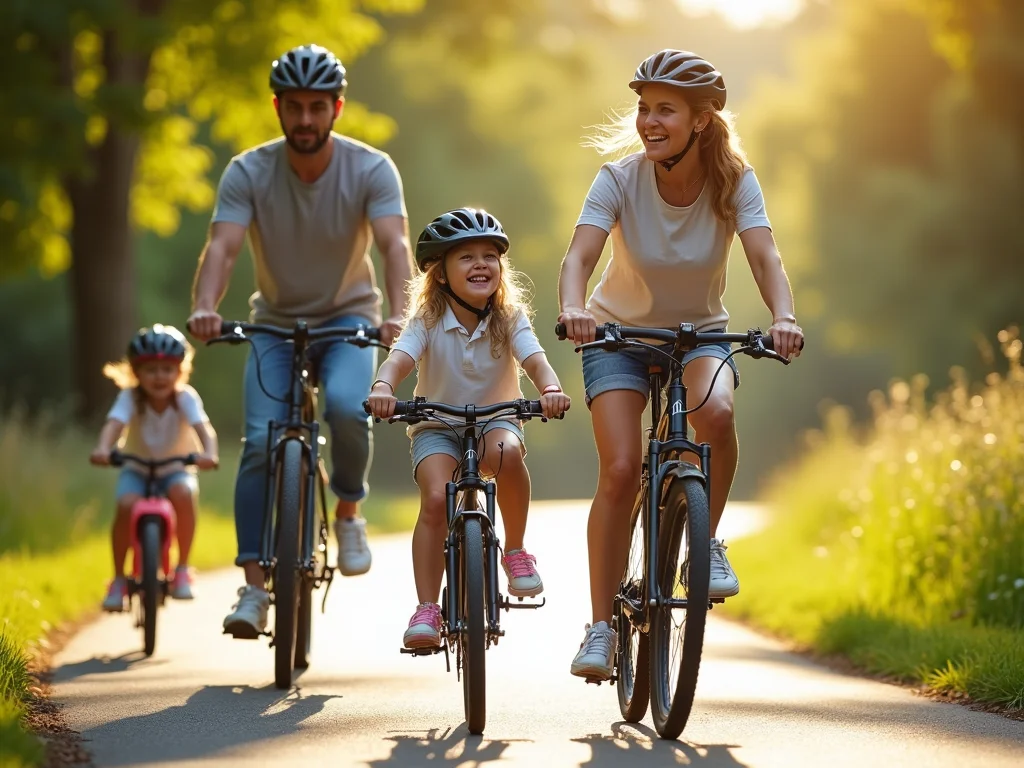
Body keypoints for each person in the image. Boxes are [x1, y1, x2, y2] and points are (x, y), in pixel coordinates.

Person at [557, 49, 805, 680]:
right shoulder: (617, 179)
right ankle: (600, 629)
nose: (648, 121)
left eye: (664, 109)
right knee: (619, 469)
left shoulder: (733, 181)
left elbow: (765, 256)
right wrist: (572, 307)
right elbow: (579, 257)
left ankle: (707, 540)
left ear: (699, 120)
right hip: (615, 335)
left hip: (699, 335)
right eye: (643, 108)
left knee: (716, 415)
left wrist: (784, 317)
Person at [186, 44, 414, 638]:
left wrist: (400, 315)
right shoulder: (248, 170)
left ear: (337, 108)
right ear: (278, 108)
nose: (306, 120)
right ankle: (254, 589)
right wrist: (204, 308)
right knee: (261, 443)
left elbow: (393, 246)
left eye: (318, 107)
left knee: (344, 408)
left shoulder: (370, 168)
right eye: (295, 107)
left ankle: (347, 508)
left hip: (350, 321)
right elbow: (224, 248)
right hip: (274, 324)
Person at [366, 208, 571, 648]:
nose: (481, 264)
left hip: (496, 419)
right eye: (466, 257)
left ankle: (514, 550)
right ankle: (427, 607)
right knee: (437, 499)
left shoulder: (510, 317)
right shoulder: (426, 319)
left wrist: (550, 387)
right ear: (440, 275)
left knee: (509, 455)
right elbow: (401, 357)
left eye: (489, 256)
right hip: (436, 424)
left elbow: (533, 357)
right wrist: (384, 385)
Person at [90, 324, 219, 611]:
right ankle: (119, 579)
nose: (159, 377)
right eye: (150, 370)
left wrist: (209, 453)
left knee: (183, 494)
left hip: (176, 468)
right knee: (125, 504)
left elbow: (204, 429)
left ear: (180, 371)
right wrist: (103, 448)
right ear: (136, 372)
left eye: (167, 369)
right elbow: (114, 425)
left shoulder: (185, 397)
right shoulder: (130, 398)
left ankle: (182, 568)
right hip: (135, 467)